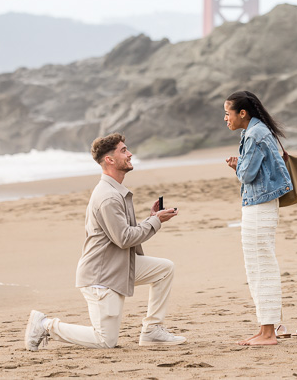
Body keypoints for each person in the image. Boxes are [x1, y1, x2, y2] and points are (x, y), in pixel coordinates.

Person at [24, 133, 186, 350]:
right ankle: (45, 325)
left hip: (117, 265)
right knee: (105, 341)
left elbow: (123, 232)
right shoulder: (108, 196)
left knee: (164, 269)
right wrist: (155, 221)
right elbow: (124, 238)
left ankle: (152, 330)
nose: (129, 154)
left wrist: (151, 219)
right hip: (101, 276)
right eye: (123, 151)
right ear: (109, 160)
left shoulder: (114, 191)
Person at [224, 90, 293, 346]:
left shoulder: (254, 134)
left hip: (259, 206)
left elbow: (247, 175)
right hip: (260, 204)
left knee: (261, 266)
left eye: (227, 113)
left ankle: (268, 332)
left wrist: (237, 166)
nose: (225, 118)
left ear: (243, 113)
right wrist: (241, 165)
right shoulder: (254, 131)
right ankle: (265, 328)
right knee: (257, 266)